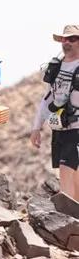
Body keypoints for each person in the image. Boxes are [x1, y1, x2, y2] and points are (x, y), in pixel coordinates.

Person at [30, 25, 79, 201]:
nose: (67, 43)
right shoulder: (55, 67)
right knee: (74, 179)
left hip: (77, 129)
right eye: (64, 39)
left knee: (66, 176)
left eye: (72, 39)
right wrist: (36, 127)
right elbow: (48, 98)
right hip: (59, 129)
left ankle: (69, 222)